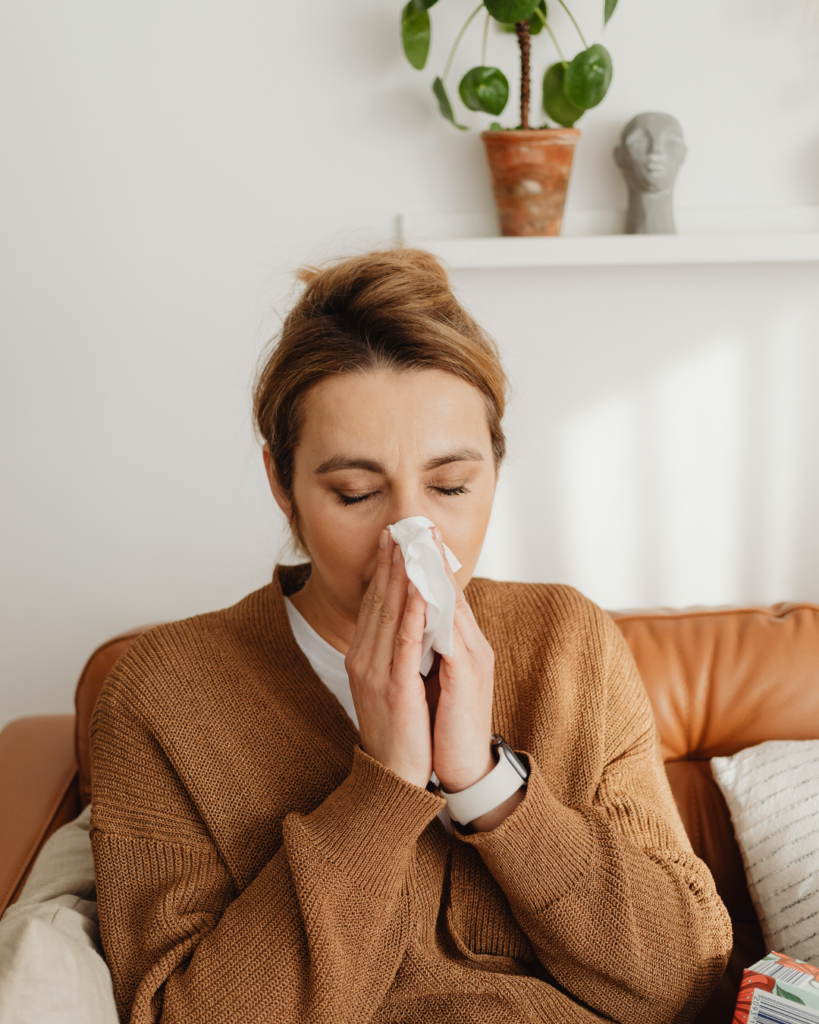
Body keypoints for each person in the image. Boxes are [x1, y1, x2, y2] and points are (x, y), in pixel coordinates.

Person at [90, 248, 731, 1024]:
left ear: (494, 470)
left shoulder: (568, 644)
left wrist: (484, 784)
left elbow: (686, 982)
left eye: (450, 485)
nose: (409, 536)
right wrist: (384, 788)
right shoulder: (163, 693)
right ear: (281, 484)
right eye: (355, 492)